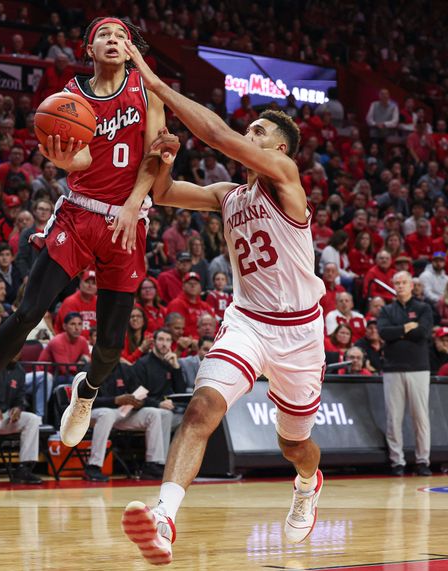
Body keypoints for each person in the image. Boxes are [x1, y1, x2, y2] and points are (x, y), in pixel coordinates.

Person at [119, 42, 326, 564]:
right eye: (249, 129)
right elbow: (163, 194)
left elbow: (215, 133)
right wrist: (162, 158)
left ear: (280, 151)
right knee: (201, 410)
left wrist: (154, 81)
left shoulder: (287, 182)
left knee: (293, 446)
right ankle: (165, 518)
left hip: (300, 331)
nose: (248, 135)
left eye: (259, 133)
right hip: (248, 322)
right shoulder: (228, 195)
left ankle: (307, 483)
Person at [0, 17, 167, 454]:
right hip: (80, 215)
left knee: (109, 345)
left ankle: (85, 393)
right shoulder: (68, 99)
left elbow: (156, 156)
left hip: (128, 220)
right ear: (89, 48)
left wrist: (130, 205)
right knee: (28, 311)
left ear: (130, 49)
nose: (113, 40)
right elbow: (80, 162)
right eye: (104, 34)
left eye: (121, 36)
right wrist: (65, 158)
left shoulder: (147, 89)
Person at [377, 271, 434, 477]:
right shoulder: (387, 309)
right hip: (392, 368)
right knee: (394, 418)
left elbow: (423, 332)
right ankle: (397, 462)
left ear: (412, 285)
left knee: (420, 417)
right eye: (397, 283)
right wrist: (407, 328)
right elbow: (383, 332)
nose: (400, 286)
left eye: (403, 282)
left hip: (418, 368)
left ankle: (422, 461)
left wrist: (397, 332)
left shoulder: (423, 307)